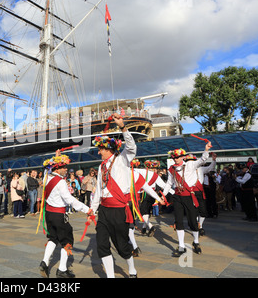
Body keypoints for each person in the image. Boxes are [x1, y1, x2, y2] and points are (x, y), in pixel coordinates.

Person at [90, 114, 164, 278]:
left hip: (119, 210)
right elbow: (99, 190)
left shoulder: (123, 159)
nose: (99, 152)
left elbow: (131, 146)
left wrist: (123, 127)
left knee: (121, 245)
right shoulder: (101, 166)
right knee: (101, 244)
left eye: (100, 149)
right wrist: (92, 209)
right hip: (104, 210)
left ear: (109, 149)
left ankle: (132, 270)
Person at [39, 152, 93, 278]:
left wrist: (55, 156)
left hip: (49, 214)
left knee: (53, 238)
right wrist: (87, 209)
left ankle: (44, 263)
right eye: (63, 167)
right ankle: (62, 270)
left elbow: (48, 167)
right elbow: (70, 200)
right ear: (57, 168)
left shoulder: (47, 177)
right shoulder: (61, 182)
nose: (66, 169)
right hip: (59, 215)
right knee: (67, 241)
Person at [163, 141, 212, 257]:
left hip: (190, 197)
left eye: (178, 157)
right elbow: (169, 183)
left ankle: (196, 242)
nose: (175, 159)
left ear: (183, 157)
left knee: (192, 222)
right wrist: (163, 195)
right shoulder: (171, 169)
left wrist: (206, 150)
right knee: (179, 221)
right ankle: (181, 246)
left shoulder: (190, 165)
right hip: (178, 197)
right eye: (174, 157)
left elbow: (202, 160)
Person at [185, 153, 217, 236]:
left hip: (200, 191)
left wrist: (213, 160)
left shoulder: (201, 169)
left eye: (192, 161)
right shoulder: (186, 170)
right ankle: (195, 226)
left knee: (203, 211)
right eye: (189, 161)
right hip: (190, 191)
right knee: (194, 210)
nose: (190, 163)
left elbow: (211, 168)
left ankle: (200, 225)